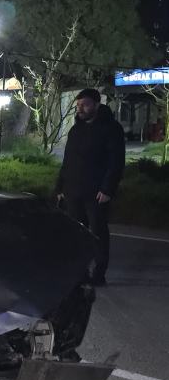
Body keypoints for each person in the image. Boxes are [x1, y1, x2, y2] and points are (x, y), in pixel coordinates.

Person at [55, 88, 125, 286]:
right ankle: (80, 272)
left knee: (98, 233)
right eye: (78, 105)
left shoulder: (111, 129)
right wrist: (60, 187)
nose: (80, 109)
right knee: (76, 234)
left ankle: (99, 272)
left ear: (96, 104)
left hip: (96, 193)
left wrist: (108, 189)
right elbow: (67, 161)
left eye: (85, 105)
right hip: (73, 191)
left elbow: (116, 162)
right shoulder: (76, 130)